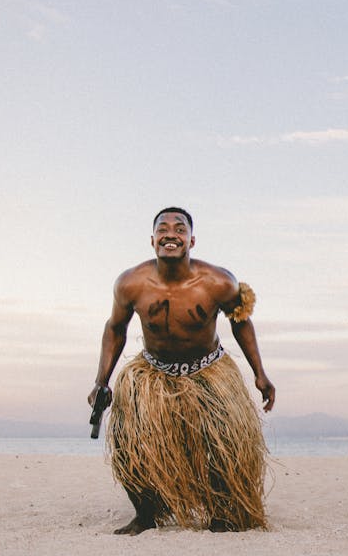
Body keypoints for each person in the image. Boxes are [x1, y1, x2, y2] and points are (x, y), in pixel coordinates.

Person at [88, 207, 275, 535]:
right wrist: (101, 381)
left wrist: (260, 372)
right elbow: (115, 328)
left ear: (191, 240)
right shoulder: (130, 283)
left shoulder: (219, 281)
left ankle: (220, 514)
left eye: (179, 228)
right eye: (163, 228)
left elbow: (241, 322)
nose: (170, 233)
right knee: (129, 442)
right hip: (152, 374)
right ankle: (145, 515)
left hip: (209, 372)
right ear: (153, 240)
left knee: (224, 443)